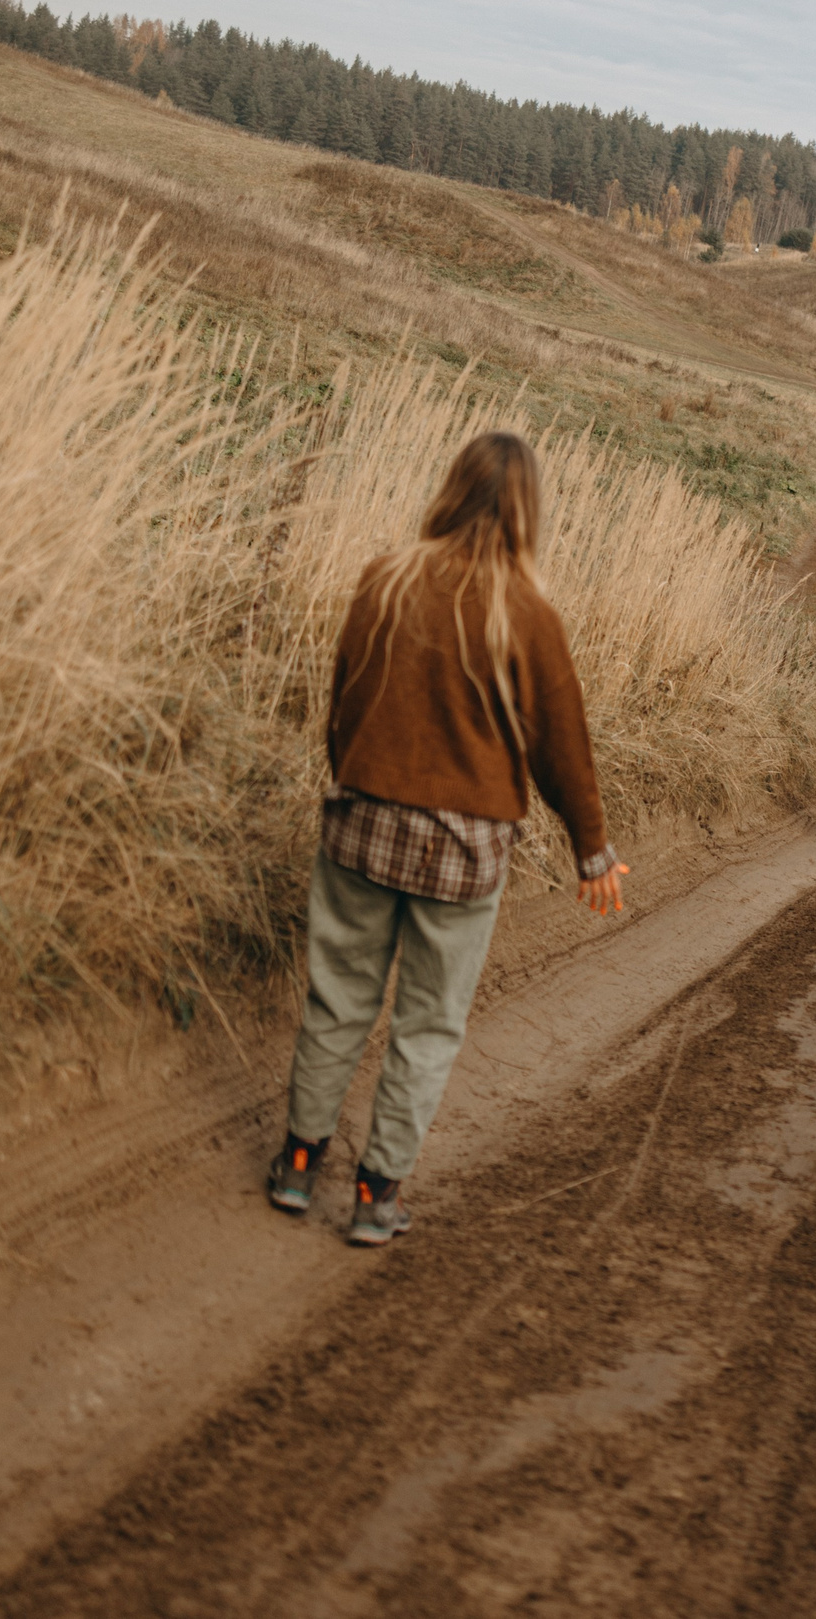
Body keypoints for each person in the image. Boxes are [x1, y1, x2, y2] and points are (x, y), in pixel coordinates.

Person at [267, 431, 627, 1246]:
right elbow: (562, 747)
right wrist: (592, 848)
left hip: (362, 823)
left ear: (450, 487)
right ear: (530, 511)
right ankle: (376, 1194)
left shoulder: (384, 579)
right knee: (427, 1025)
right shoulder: (530, 616)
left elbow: (343, 705)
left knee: (338, 999)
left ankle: (296, 1163)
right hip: (464, 853)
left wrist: (354, 782)